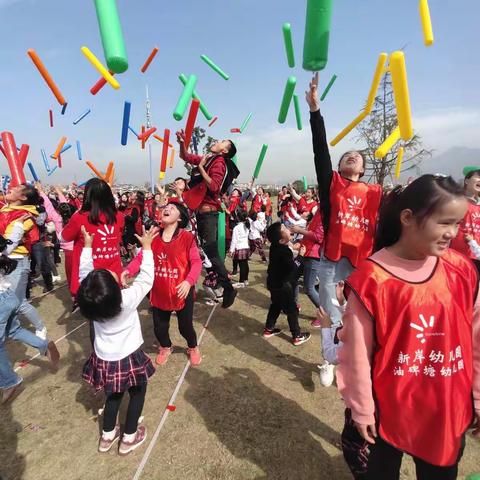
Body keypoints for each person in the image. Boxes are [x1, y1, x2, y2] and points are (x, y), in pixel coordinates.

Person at [337, 175, 480, 480]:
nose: (452, 233)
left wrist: (477, 396)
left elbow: (476, 339)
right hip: (389, 408)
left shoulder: (462, 270)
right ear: (407, 218)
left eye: (457, 224)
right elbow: (356, 353)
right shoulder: (372, 278)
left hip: (446, 405)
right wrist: (362, 408)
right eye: (444, 223)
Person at [306, 73, 383, 330]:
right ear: (338, 166)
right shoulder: (333, 185)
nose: (352, 156)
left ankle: (356, 356)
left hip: (362, 260)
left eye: (357, 156)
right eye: (346, 155)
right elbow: (320, 150)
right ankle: (329, 359)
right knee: (330, 311)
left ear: (363, 169)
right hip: (332, 257)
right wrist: (315, 111)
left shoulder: (375, 193)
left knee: (361, 312)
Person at [78, 225, 158, 455]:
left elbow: (85, 274)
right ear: (114, 288)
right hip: (129, 356)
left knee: (113, 394)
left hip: (105, 357)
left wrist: (88, 246)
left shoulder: (91, 301)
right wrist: (147, 248)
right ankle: (129, 437)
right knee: (137, 392)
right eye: (110, 274)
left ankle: (107, 436)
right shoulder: (125, 300)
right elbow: (146, 279)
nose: (113, 271)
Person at [123, 202, 202, 367]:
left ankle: (192, 347)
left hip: (182, 291)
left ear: (180, 218)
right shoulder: (153, 235)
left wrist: (189, 282)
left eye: (172, 208)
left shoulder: (187, 238)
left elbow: (196, 262)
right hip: (159, 290)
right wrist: (128, 271)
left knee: (185, 327)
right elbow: (141, 258)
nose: (167, 209)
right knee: (159, 328)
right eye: (166, 207)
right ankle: (166, 347)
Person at [176, 131, 238, 309]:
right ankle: (225, 287)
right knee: (209, 252)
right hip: (201, 213)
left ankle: (227, 288)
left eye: (222, 141)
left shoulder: (219, 163)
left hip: (209, 214)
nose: (217, 140)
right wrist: (182, 142)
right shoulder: (209, 158)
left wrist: (202, 169)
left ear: (225, 151)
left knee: (211, 252)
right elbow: (185, 155)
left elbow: (215, 186)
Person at [0, 234, 60, 404]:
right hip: (7, 295)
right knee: (14, 329)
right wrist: (18, 224)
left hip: (1, 300)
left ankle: (10, 382)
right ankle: (44, 345)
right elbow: (9, 245)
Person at [61, 178, 125, 297]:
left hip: (89, 272)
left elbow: (64, 237)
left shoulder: (80, 217)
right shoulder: (119, 216)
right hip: (113, 270)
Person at [0, 184, 47, 338]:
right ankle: (10, 329)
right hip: (4, 260)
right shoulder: (5, 210)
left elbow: (8, 242)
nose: (10, 188)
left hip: (16, 261)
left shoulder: (25, 216)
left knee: (18, 302)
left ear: (23, 197)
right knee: (7, 300)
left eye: (15, 188)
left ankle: (40, 328)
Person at [263, 222, 311, 346]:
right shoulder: (285, 252)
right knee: (292, 310)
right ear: (281, 240)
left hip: (273, 283)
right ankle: (297, 335)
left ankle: (269, 329)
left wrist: (292, 245)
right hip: (283, 286)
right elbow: (293, 270)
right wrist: (300, 257)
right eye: (284, 228)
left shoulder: (275, 247)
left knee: (276, 305)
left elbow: (287, 245)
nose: (287, 228)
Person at [450, 167, 480, 273]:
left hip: (476, 256)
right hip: (455, 254)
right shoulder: (455, 201)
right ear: (466, 180)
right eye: (478, 176)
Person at [229, 211, 251, 288]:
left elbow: (234, 240)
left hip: (240, 248)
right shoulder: (247, 225)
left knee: (242, 266)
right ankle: (246, 280)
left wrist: (231, 250)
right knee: (245, 264)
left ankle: (241, 282)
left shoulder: (236, 228)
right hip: (246, 247)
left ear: (238, 218)